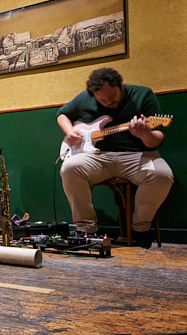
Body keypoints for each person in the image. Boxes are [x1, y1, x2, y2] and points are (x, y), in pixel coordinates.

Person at [57, 67, 174, 248]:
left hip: (138, 155)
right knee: (69, 168)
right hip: (98, 156)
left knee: (161, 174)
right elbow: (61, 114)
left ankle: (139, 229)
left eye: (111, 97)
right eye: (101, 99)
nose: (107, 102)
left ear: (120, 86)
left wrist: (144, 134)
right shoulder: (84, 98)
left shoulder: (143, 95)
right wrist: (70, 131)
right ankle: (86, 230)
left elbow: (157, 140)